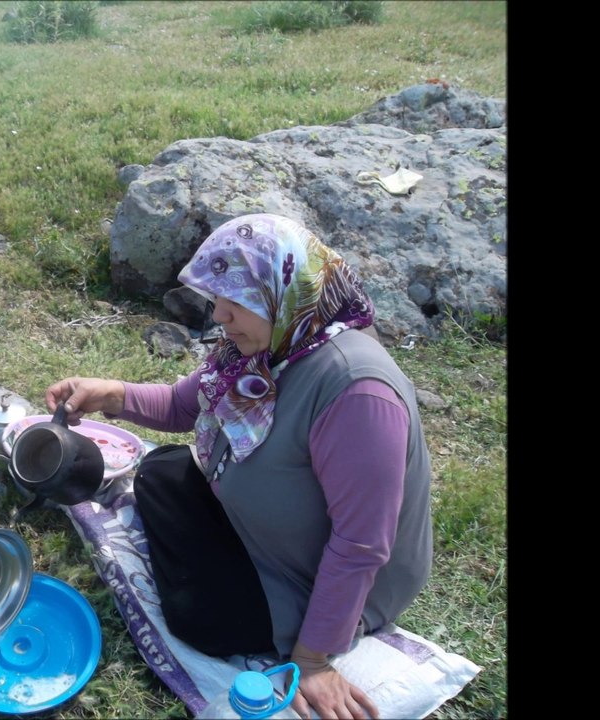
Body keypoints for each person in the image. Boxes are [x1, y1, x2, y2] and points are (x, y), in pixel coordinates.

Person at [46, 214, 432, 720]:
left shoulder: (356, 391)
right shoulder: (270, 341)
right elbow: (185, 406)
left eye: (239, 301)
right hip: (270, 535)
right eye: (217, 299)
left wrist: (313, 660)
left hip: (317, 576)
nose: (221, 316)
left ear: (287, 291)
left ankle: (285, 618)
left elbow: (361, 544)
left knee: (199, 619)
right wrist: (110, 395)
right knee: (162, 470)